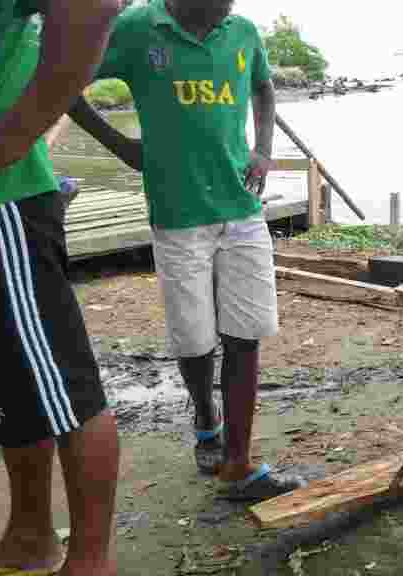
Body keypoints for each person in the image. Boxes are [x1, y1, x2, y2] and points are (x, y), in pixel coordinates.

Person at [67, 0, 306, 502]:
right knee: (195, 342)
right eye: (218, 4)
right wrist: (120, 146)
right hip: (178, 218)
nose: (228, 10)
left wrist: (262, 150)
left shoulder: (241, 31)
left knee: (245, 334)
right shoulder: (137, 28)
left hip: (242, 210)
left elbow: (263, 87)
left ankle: (237, 463)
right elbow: (65, 79)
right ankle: (205, 416)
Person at [0, 2, 121, 576]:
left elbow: (92, 8)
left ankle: (91, 562)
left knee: (63, 387)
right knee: (6, 384)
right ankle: (30, 539)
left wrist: (20, 130)